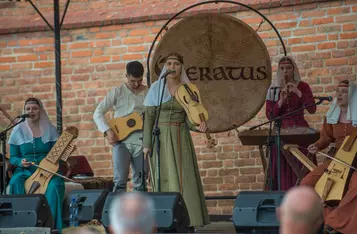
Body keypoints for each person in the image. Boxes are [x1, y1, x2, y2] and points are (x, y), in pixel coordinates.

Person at [143, 52, 210, 230]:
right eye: (169, 63)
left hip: (180, 135)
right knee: (163, 177)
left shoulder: (188, 89)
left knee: (184, 177)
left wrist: (199, 127)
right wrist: (147, 145)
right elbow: (149, 118)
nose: (172, 67)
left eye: (176, 64)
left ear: (182, 67)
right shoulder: (156, 89)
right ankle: (164, 221)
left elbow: (190, 118)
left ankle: (189, 221)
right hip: (160, 138)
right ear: (165, 67)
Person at [301, 80, 357, 234]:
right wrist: (317, 146)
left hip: (356, 161)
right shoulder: (332, 115)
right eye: (337, 91)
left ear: (352, 95)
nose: (339, 94)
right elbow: (326, 139)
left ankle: (335, 223)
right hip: (336, 160)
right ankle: (325, 221)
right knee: (307, 183)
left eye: (344, 92)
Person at [7, 97, 65, 230]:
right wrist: (20, 162)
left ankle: (49, 225)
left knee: (55, 185)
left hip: (47, 170)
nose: (31, 111)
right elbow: (13, 158)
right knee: (15, 182)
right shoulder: (17, 130)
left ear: (40, 110)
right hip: (25, 170)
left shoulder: (50, 129)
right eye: (28, 109)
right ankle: (20, 224)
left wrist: (63, 155)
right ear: (24, 111)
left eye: (34, 108)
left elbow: (58, 156)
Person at [93, 61, 148, 192]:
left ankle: (140, 212)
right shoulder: (117, 92)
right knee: (119, 183)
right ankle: (118, 212)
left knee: (141, 183)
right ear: (126, 76)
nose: (136, 84)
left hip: (141, 142)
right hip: (121, 141)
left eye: (139, 80)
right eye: (133, 80)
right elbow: (98, 113)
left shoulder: (148, 92)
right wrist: (108, 130)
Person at [265, 55, 317, 191]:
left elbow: (312, 109)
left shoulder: (303, 86)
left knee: (302, 166)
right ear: (278, 70)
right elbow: (270, 116)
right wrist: (280, 101)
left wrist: (298, 92)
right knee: (283, 167)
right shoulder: (273, 89)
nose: (285, 71)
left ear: (294, 69)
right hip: (281, 131)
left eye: (288, 68)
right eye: (282, 68)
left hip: (301, 130)